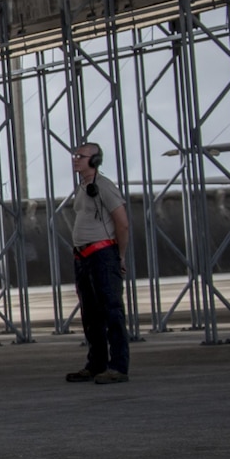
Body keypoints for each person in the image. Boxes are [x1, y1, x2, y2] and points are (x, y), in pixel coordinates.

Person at [66, 140, 131, 384]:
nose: (76, 159)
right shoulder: (84, 187)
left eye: (81, 156)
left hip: (102, 254)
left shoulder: (104, 186)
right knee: (90, 313)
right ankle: (96, 363)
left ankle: (118, 367)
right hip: (83, 257)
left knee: (111, 311)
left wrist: (119, 255)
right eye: (76, 155)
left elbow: (122, 222)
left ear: (94, 160)